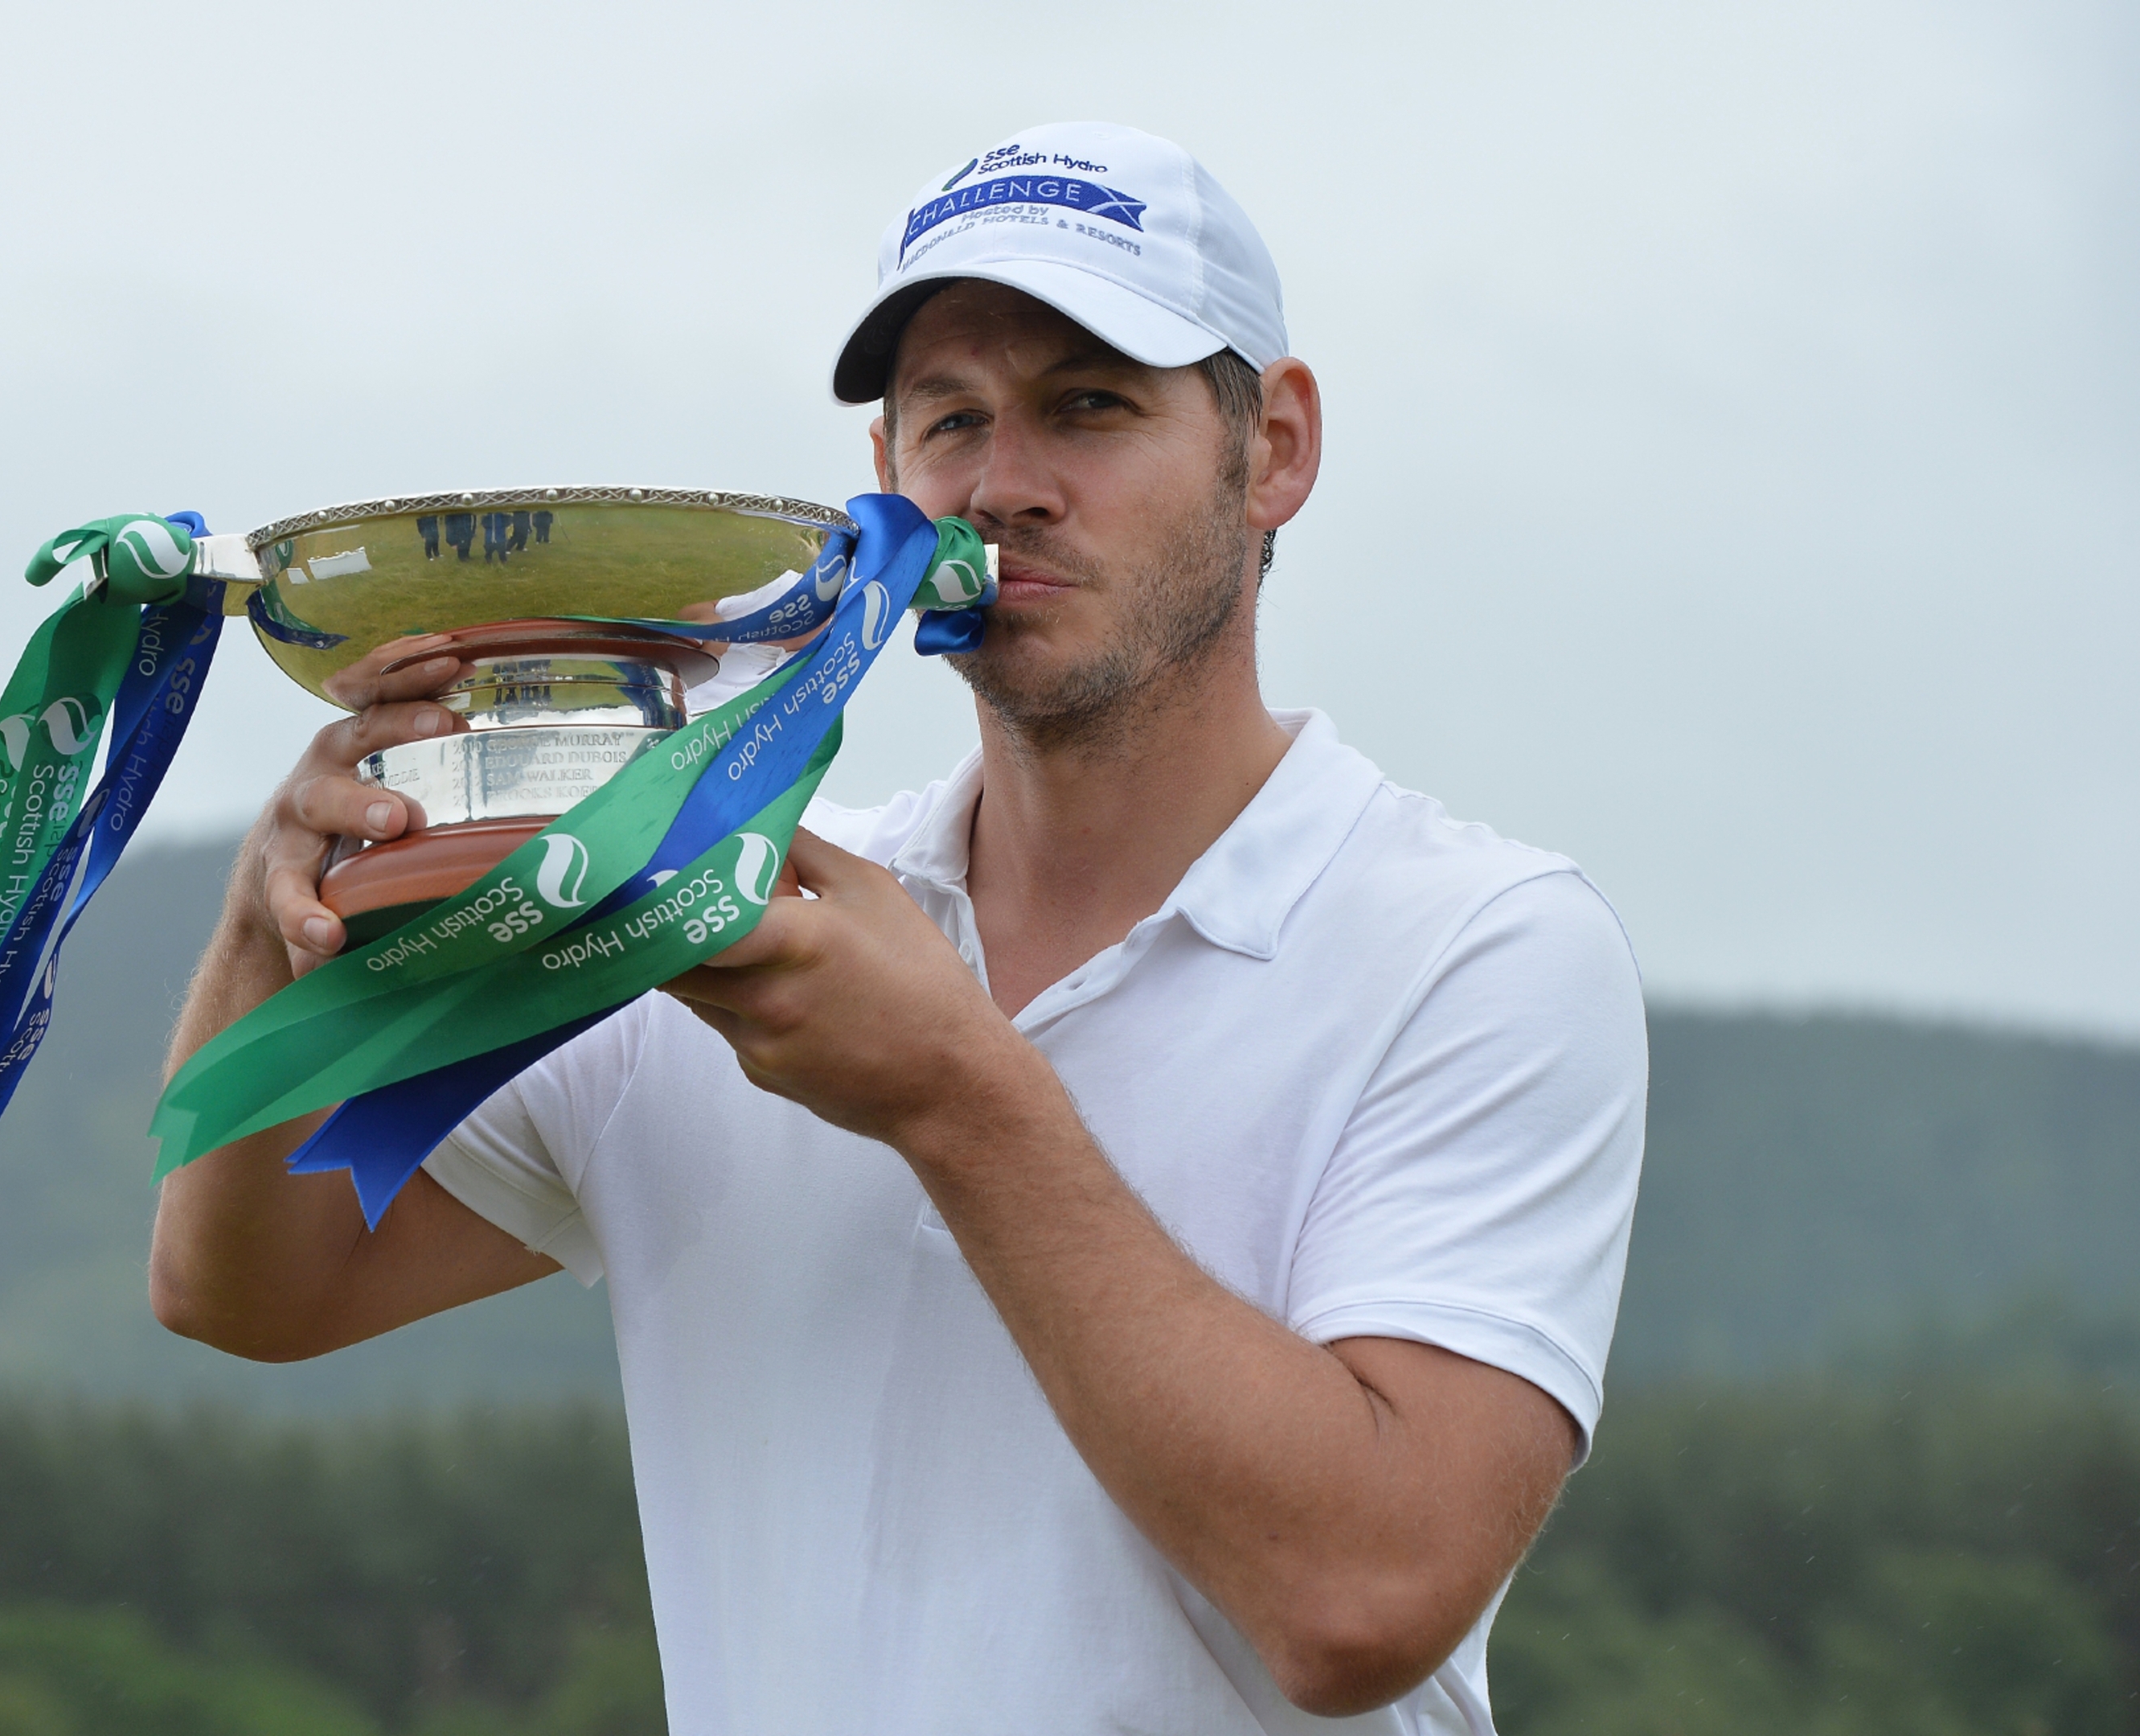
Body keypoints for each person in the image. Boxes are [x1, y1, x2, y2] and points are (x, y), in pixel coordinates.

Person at [151, 121, 1646, 1735]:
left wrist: (955, 1095)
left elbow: (1361, 1605)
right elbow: (249, 1290)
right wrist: (274, 909)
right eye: (951, 421)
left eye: (1091, 405)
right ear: (883, 485)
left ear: (1272, 446)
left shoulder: (1478, 946)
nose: (1006, 487)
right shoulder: (723, 908)